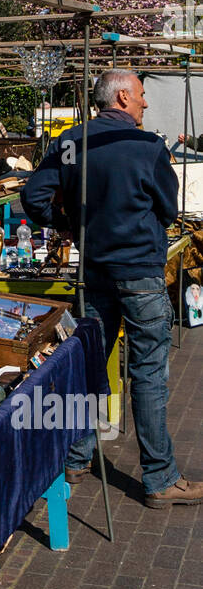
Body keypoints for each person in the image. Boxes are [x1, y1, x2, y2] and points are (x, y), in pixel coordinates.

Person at [21, 68, 202, 509]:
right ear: (121, 97)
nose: (145, 103)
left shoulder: (70, 142)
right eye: (141, 95)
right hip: (137, 269)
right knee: (148, 374)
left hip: (96, 270)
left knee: (90, 366)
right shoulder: (146, 145)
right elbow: (168, 206)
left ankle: (76, 458)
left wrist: (69, 225)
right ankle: (159, 478)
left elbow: (33, 197)